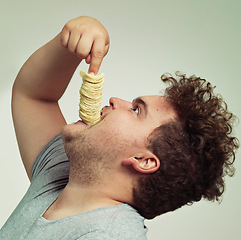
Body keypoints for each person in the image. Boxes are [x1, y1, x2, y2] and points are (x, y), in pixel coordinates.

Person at [0, 16, 239, 239]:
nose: (115, 100)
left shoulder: (111, 235)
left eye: (136, 110)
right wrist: (70, 44)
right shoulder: (60, 176)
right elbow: (35, 96)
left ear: (143, 160)